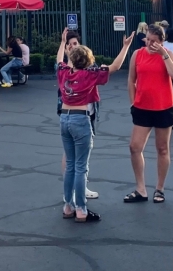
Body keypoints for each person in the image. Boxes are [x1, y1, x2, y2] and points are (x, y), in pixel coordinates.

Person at [57, 28, 134, 222]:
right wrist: (125, 47)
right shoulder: (90, 75)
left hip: (64, 118)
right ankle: (81, 209)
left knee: (71, 166)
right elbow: (115, 67)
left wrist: (62, 42)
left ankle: (68, 206)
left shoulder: (64, 73)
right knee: (81, 167)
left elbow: (59, 60)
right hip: (80, 118)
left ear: (72, 58)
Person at [125, 24, 173, 204]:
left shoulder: (168, 54)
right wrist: (133, 102)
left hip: (163, 107)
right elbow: (131, 79)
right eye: (147, 40)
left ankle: (160, 188)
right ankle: (140, 189)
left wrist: (163, 55)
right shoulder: (138, 54)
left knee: (162, 148)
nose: (149, 43)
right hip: (142, 107)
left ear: (161, 42)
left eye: (153, 41)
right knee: (135, 147)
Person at [57, 30, 99, 201]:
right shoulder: (70, 72)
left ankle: (73, 194)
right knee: (75, 160)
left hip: (81, 113)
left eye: (75, 44)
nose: (73, 47)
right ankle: (77, 199)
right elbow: (114, 68)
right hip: (76, 114)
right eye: (70, 45)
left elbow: (59, 62)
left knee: (78, 160)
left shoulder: (70, 71)